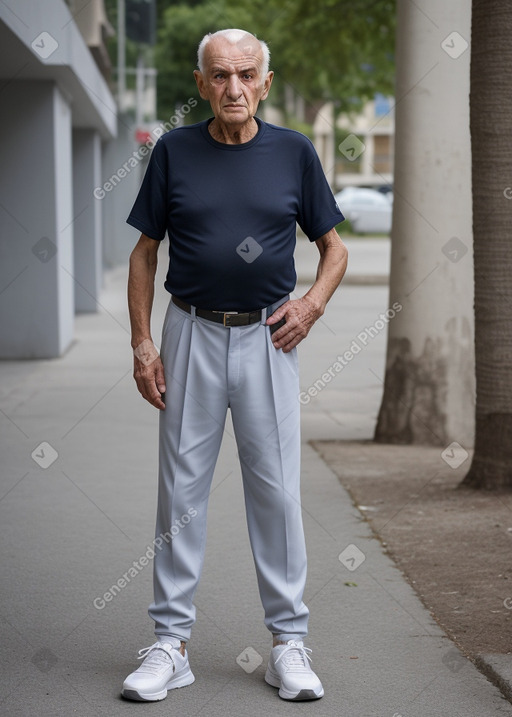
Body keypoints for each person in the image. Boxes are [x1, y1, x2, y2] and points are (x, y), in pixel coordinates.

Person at [121, 28, 347, 703]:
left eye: (246, 74)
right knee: (181, 494)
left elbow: (333, 249)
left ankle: (288, 644)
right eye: (220, 76)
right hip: (189, 331)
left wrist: (311, 305)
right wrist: (141, 344)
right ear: (201, 85)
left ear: (266, 83)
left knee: (276, 491)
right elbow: (143, 253)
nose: (234, 88)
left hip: (268, 339)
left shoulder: (294, 152)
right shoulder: (174, 152)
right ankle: (170, 643)